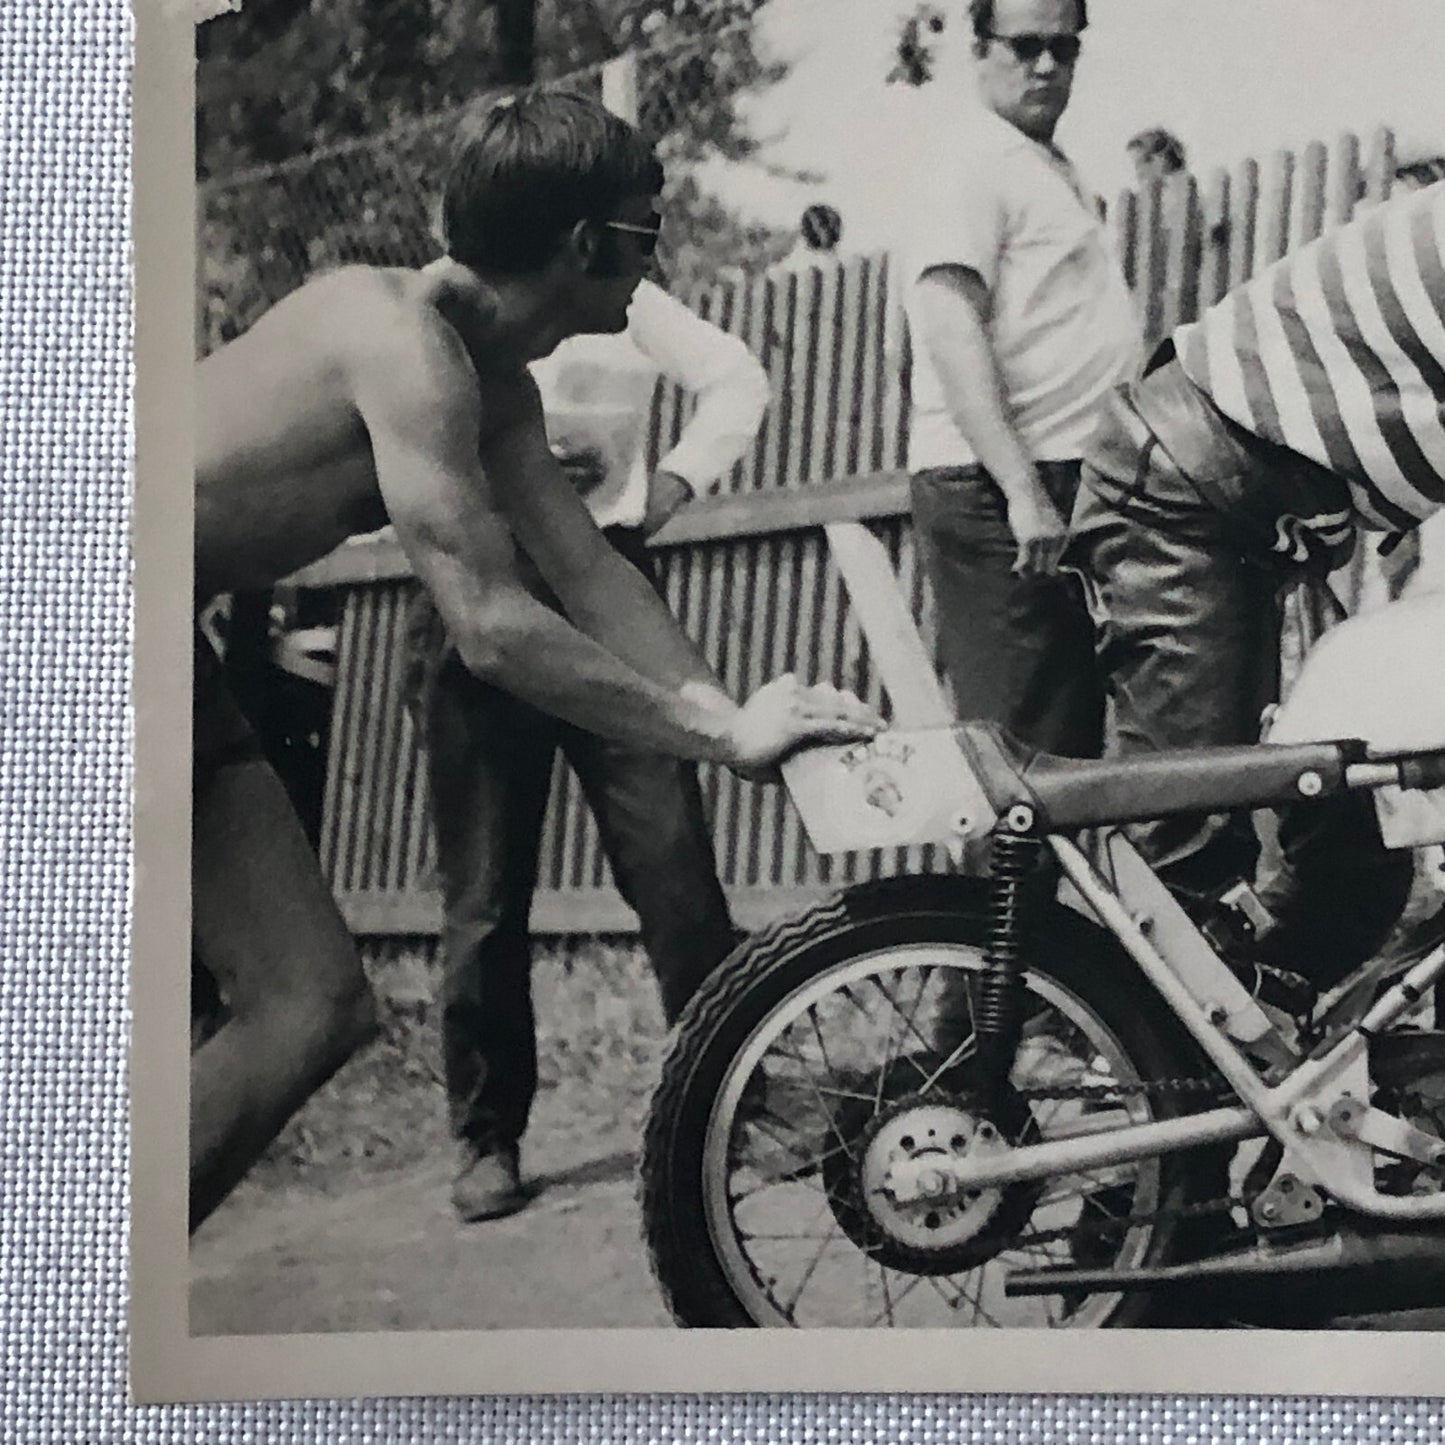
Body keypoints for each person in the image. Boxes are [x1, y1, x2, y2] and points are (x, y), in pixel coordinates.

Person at [189, 90, 883, 1233]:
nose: (654, 259)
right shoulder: (405, 351)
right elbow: (492, 625)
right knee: (276, 1000)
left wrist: (731, 716)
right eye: (646, 232)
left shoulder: (488, 377)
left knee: (309, 1005)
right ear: (583, 245)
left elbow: (594, 575)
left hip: (150, 622)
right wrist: (712, 733)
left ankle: (73, 1290)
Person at [406, 276, 771, 1222]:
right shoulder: (443, 302)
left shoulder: (617, 295)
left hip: (604, 584)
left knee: (673, 857)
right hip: (479, 592)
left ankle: (729, 1099)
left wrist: (669, 484)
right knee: (485, 893)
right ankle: (486, 1138)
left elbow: (737, 379)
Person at [1068, 179, 1445, 989]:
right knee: (1187, 858)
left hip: (1283, 521)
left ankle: (1274, 1074)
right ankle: (1162, 1072)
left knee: (1356, 865)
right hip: (1184, 496)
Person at [900, 0, 1138, 760]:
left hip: (1064, 474)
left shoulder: (1041, 162)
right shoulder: (971, 159)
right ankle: (992, 890)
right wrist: (1022, 491)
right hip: (999, 486)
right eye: (1025, 46)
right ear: (979, 49)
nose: (1046, 67)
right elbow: (947, 329)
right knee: (1022, 756)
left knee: (1068, 749)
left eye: (1063, 50)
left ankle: (1038, 887)